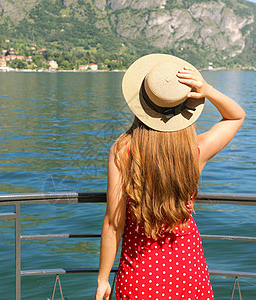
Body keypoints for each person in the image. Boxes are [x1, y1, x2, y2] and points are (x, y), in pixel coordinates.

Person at [95, 54, 245, 300]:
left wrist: (102, 280)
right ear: (187, 108)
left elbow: (114, 223)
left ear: (141, 105)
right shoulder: (195, 151)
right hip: (188, 274)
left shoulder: (123, 152)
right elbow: (236, 116)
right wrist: (207, 90)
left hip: (139, 277)